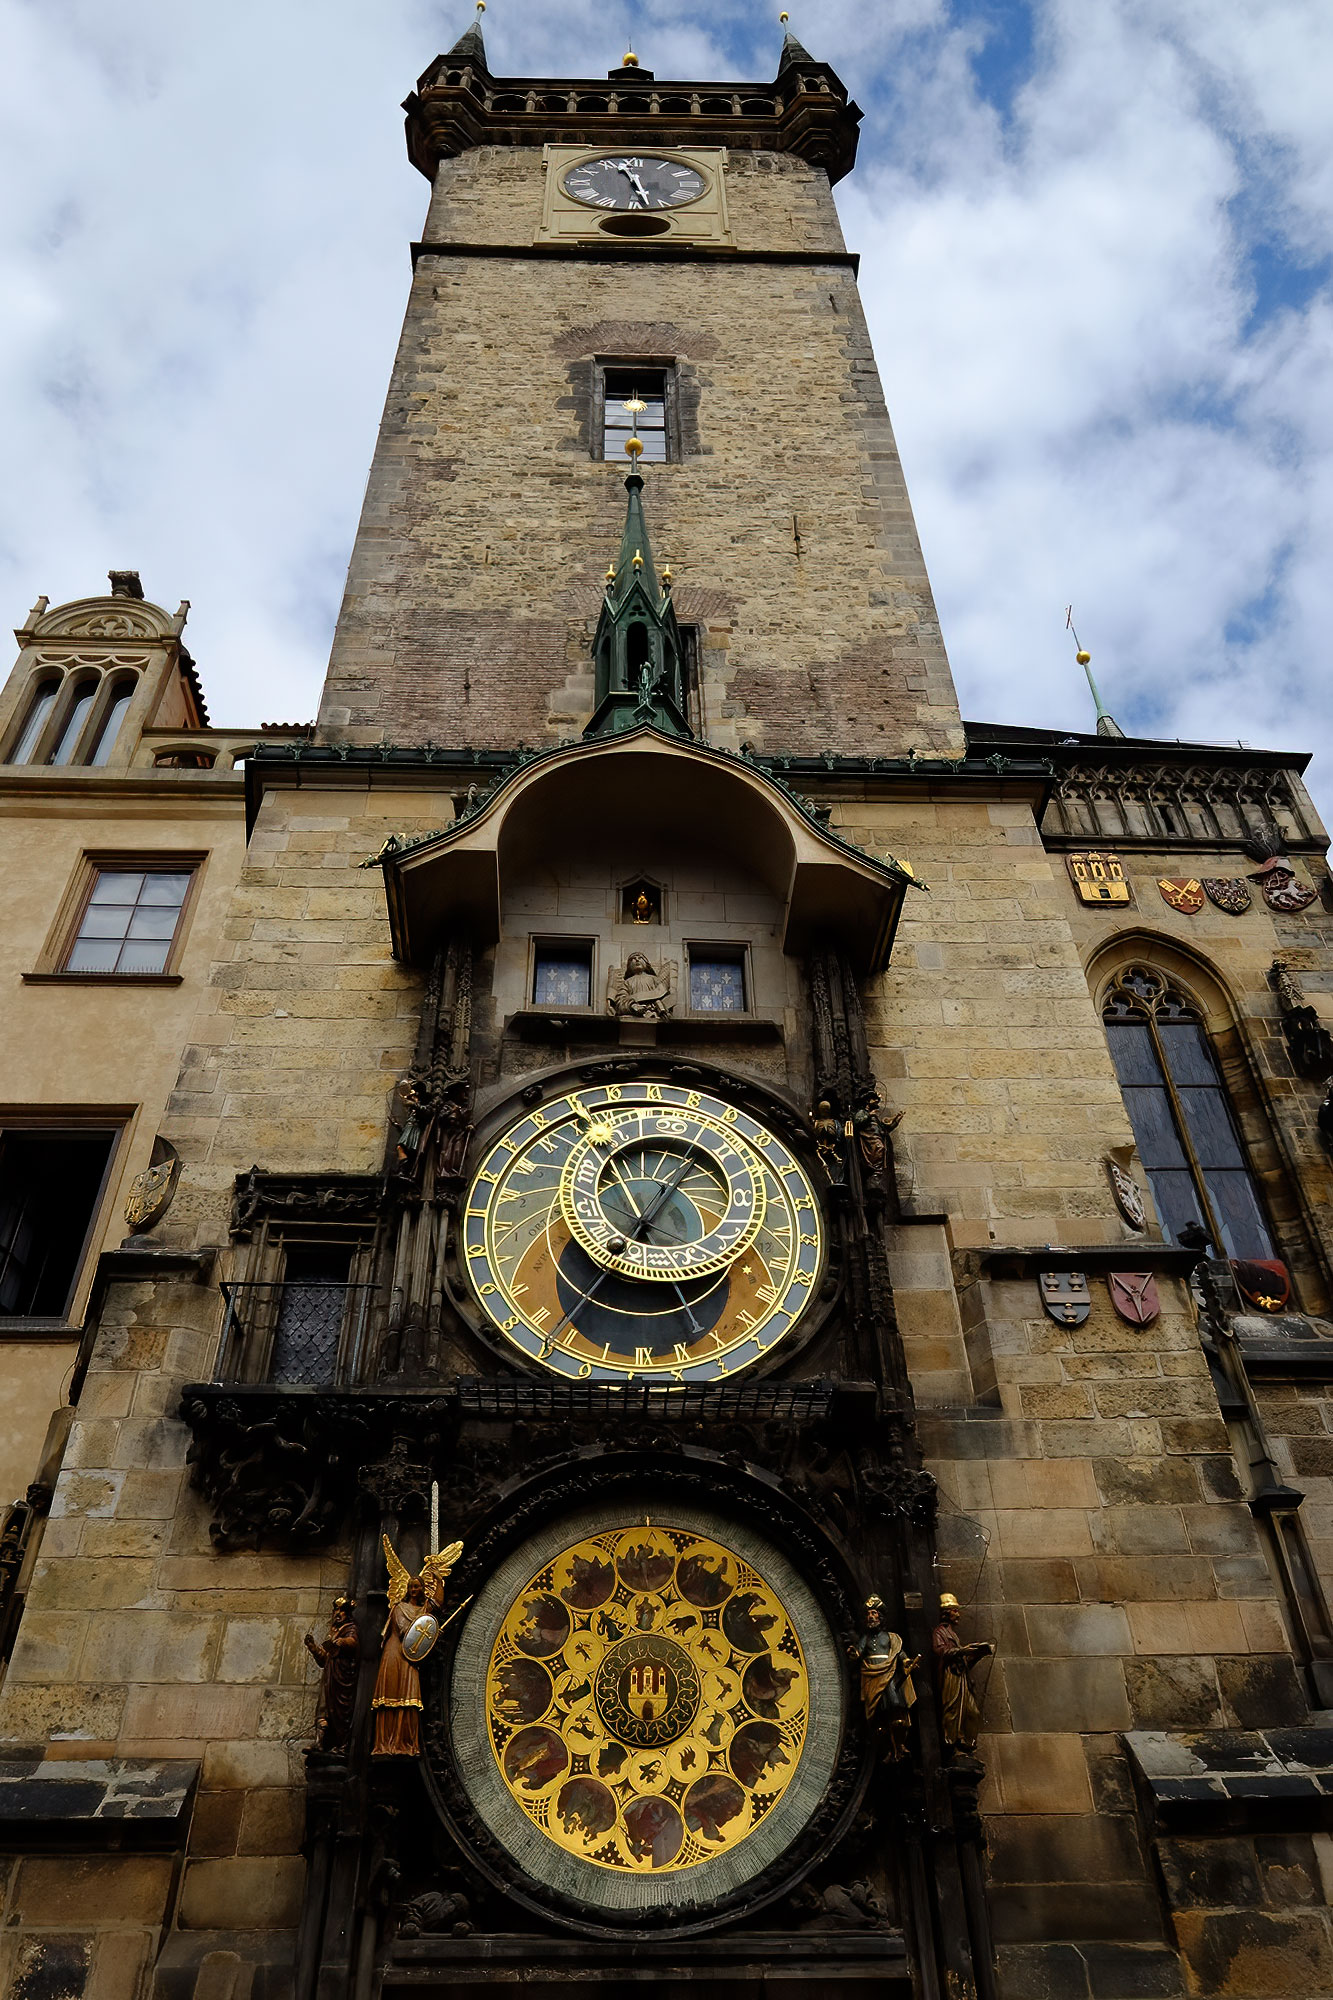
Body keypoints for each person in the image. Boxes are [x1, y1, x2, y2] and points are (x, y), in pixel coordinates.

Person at [932, 1592, 993, 1754]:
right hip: (951, 1676)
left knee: (973, 1712)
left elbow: (964, 1660)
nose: (958, 1615)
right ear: (947, 1613)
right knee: (952, 1710)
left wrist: (977, 1654)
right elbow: (940, 1651)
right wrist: (962, 1650)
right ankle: (952, 1743)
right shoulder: (940, 1632)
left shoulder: (953, 1634)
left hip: (962, 1676)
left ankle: (968, 1742)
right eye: (955, 1611)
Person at [304, 1595, 360, 1754]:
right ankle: (319, 1743)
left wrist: (343, 1642)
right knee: (323, 1709)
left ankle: (343, 1745)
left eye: (341, 1610)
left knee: (340, 1711)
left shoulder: (351, 1628)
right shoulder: (334, 1631)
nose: (338, 1613)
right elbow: (324, 1659)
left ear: (347, 1613)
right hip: (329, 1675)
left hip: (342, 1676)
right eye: (336, 1610)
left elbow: (353, 1642)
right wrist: (313, 1648)